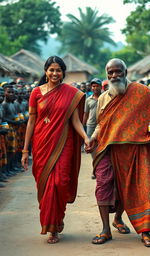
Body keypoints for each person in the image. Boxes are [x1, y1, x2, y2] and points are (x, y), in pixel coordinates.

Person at [86, 58, 150, 247]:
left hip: (137, 149)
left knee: (142, 187)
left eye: (118, 71)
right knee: (103, 186)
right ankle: (105, 230)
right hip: (108, 149)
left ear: (126, 72)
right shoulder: (103, 97)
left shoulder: (142, 92)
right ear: (107, 74)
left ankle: (145, 231)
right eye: (111, 72)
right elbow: (101, 124)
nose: (114, 75)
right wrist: (92, 138)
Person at [21, 56, 89, 244]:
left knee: (60, 182)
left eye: (58, 70)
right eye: (51, 69)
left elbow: (75, 121)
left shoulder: (71, 93)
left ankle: (58, 219)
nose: (54, 73)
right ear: (45, 71)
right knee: (46, 186)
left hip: (63, 144)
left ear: (63, 72)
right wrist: (25, 150)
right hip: (41, 144)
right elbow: (32, 121)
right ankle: (52, 228)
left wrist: (86, 137)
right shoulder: (36, 92)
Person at [83, 78, 102, 179]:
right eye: (93, 86)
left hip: (102, 125)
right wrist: (83, 126)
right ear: (91, 87)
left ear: (100, 87)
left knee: (102, 148)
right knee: (92, 149)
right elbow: (85, 114)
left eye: (97, 86)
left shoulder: (104, 97)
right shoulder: (88, 100)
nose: (95, 88)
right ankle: (95, 170)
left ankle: (101, 169)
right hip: (90, 126)